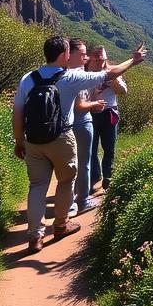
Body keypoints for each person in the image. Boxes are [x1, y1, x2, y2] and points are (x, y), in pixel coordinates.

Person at [12, 35, 147, 254]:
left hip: (33, 140)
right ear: (65, 54)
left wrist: (19, 141)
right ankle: (60, 225)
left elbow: (17, 113)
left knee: (37, 186)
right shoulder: (71, 77)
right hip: (62, 139)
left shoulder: (28, 78)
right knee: (66, 181)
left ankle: (35, 237)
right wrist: (133, 60)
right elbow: (110, 73)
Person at [67, 39, 107, 214]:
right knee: (83, 163)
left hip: (62, 127)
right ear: (70, 54)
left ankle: (68, 204)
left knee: (68, 165)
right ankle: (81, 200)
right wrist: (94, 104)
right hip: (80, 123)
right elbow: (79, 105)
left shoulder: (52, 74)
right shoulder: (75, 75)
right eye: (83, 54)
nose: (86, 57)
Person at [87, 45, 126, 193]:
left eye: (102, 58)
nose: (99, 61)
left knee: (109, 148)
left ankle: (108, 180)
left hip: (109, 112)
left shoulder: (113, 73)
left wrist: (113, 80)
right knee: (91, 149)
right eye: (96, 58)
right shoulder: (86, 74)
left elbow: (123, 91)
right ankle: (94, 178)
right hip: (90, 113)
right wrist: (94, 93)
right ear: (91, 58)